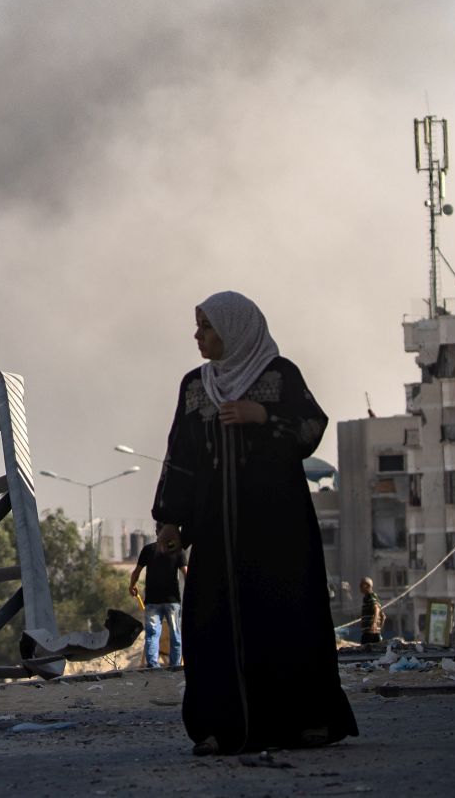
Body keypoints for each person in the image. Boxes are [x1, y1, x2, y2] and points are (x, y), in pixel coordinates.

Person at [151, 291, 357, 755]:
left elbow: (310, 428)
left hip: (278, 531)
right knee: (210, 624)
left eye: (207, 326)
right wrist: (169, 520)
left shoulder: (279, 376)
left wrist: (261, 415)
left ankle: (308, 721)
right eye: (198, 325)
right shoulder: (195, 386)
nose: (198, 335)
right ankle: (218, 727)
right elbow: (180, 458)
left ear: (236, 329)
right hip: (216, 533)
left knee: (288, 620)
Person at [130, 538, 186, 669]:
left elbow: (136, 572)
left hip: (152, 601)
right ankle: (175, 665)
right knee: (175, 634)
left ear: (157, 531)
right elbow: (186, 573)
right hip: (172, 602)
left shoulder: (149, 550)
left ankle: (153, 665)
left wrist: (132, 585)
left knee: (152, 634)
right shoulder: (178, 550)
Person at [360, 577, 384, 646]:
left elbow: (376, 609)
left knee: (364, 653)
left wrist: (374, 623)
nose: (360, 587)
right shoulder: (374, 597)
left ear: (367, 585)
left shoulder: (369, 596)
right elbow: (383, 616)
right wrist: (378, 630)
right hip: (374, 633)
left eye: (362, 585)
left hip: (369, 634)